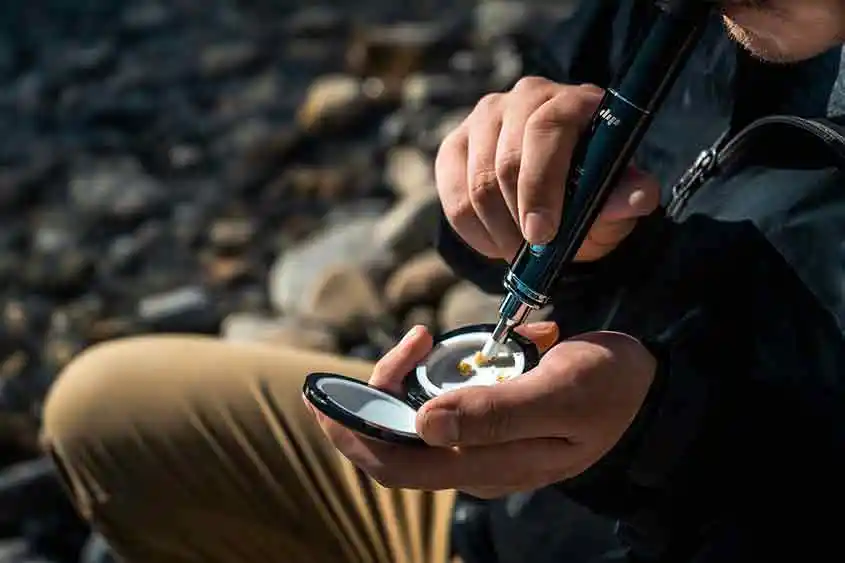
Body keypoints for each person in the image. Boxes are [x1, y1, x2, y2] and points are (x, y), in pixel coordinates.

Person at [40, 1, 845, 562]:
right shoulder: (690, 14)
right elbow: (562, 115)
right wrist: (500, 201)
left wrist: (661, 434)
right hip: (493, 522)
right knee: (104, 411)